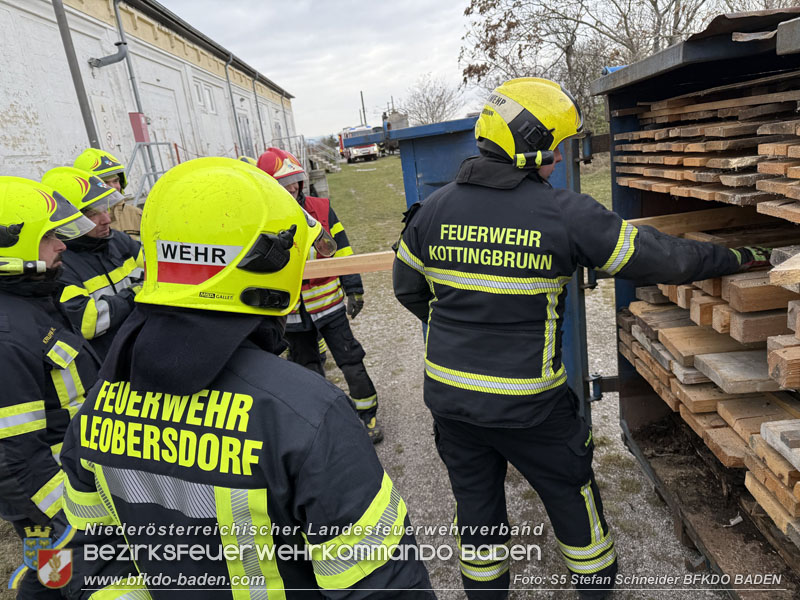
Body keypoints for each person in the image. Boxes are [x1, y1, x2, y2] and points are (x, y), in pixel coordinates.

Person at [392, 77, 770, 600]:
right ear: (533, 144)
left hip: (450, 399)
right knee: (571, 495)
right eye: (560, 147)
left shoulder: (432, 211)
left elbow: (407, 289)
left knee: (475, 506)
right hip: (531, 406)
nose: (563, 159)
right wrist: (737, 257)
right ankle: (596, 589)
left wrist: (456, 336)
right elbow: (664, 258)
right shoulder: (565, 215)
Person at [60, 157, 435, 598]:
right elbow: (384, 588)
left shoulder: (91, 414)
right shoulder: (307, 415)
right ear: (265, 266)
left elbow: (89, 562)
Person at [0, 177, 99, 597]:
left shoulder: (33, 302)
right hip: (52, 503)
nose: (61, 245)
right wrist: (71, 513)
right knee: (62, 576)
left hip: (68, 488)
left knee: (49, 576)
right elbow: (10, 457)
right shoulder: (7, 333)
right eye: (48, 236)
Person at [257, 147, 383, 443]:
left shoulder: (321, 209)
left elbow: (343, 250)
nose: (292, 188)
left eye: (296, 181)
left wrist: (354, 289)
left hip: (329, 305)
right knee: (307, 369)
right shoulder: (260, 218)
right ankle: (319, 424)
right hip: (291, 314)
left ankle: (368, 416)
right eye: (283, 184)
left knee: (351, 360)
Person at [41, 167, 144, 360]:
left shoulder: (119, 240)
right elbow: (89, 322)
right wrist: (137, 292)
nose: (106, 219)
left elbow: (158, 273)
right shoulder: (59, 263)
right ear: (65, 219)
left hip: (141, 347)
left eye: (105, 208)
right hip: (110, 365)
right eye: (91, 214)